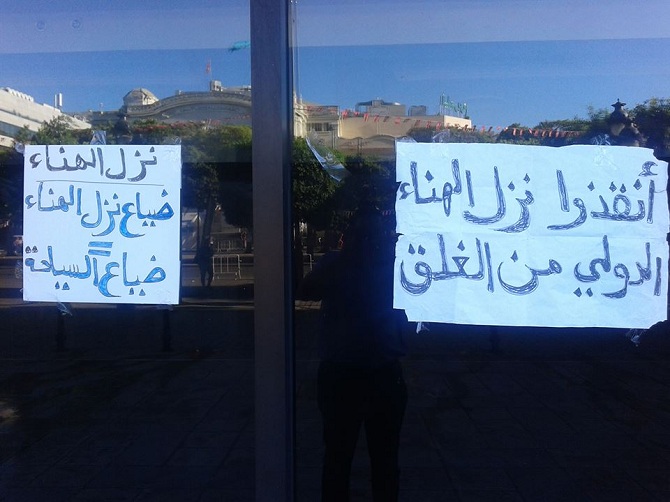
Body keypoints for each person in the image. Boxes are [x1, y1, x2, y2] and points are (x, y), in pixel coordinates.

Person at [298, 202, 408, 502]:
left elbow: (306, 290)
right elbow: (306, 289)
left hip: (354, 372)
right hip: (365, 371)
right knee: (371, 459)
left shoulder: (386, 265)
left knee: (345, 458)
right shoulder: (386, 264)